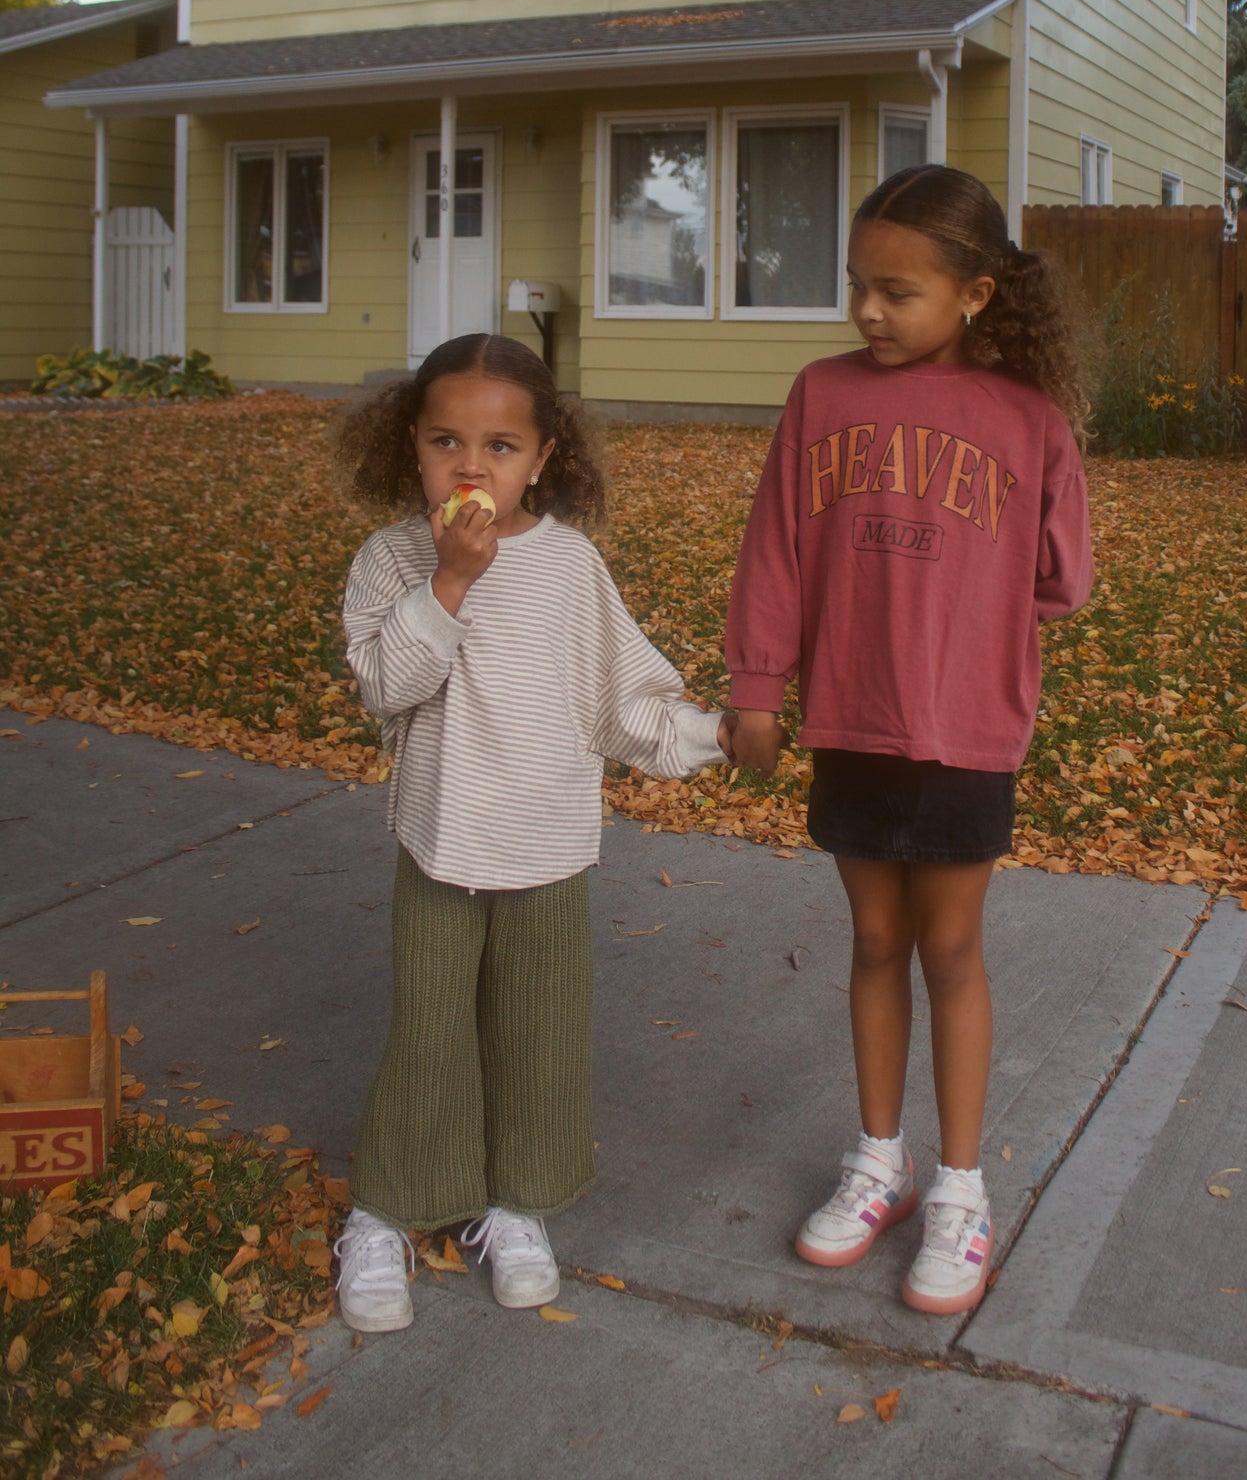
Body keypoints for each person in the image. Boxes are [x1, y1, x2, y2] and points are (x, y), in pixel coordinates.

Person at [724, 166, 1093, 1316]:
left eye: (896, 290)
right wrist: (754, 686)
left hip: (968, 726)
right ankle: (878, 1161)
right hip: (849, 715)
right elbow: (776, 548)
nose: (868, 312)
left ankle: (959, 1189)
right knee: (874, 936)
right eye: (856, 287)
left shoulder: (1027, 418)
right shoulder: (819, 394)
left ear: (975, 291)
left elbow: (1062, 574)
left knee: (950, 949)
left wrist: (968, 605)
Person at [330, 332, 728, 1332]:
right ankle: (388, 1207)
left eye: (501, 445)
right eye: (446, 441)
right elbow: (388, 684)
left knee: (537, 1034)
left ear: (545, 455)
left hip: (547, 842)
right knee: (429, 1029)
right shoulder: (391, 561)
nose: (473, 465)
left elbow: (620, 700)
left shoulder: (567, 565)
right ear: (409, 447)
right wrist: (450, 582)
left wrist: (714, 736)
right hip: (440, 834)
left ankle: (515, 1204)